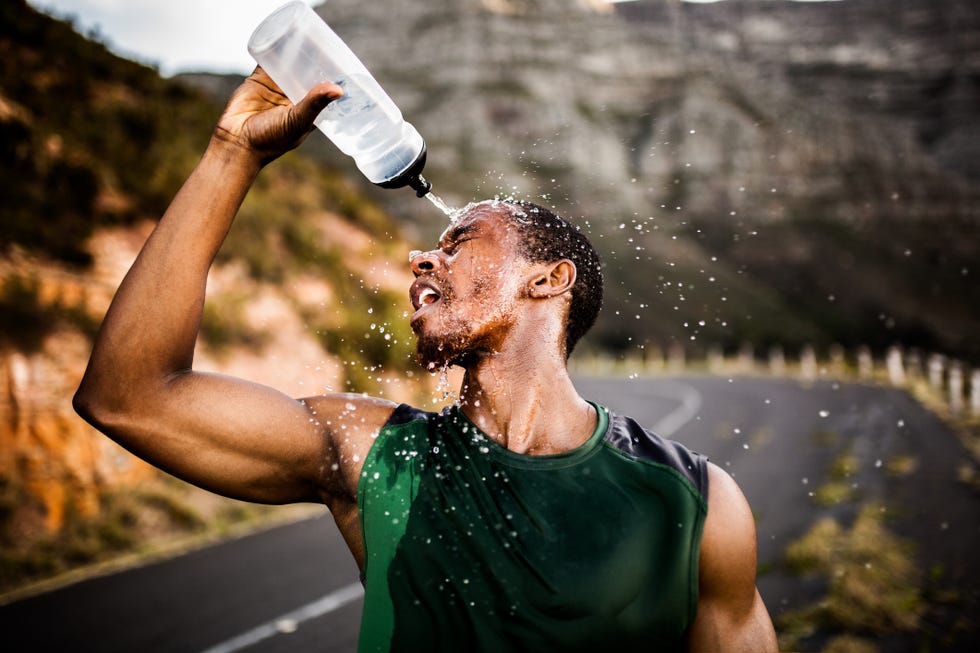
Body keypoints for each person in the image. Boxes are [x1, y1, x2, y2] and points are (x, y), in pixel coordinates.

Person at [74, 68, 778, 652]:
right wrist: (232, 153)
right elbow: (129, 396)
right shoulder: (373, 452)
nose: (421, 258)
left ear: (548, 280)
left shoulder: (698, 504)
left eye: (460, 240)